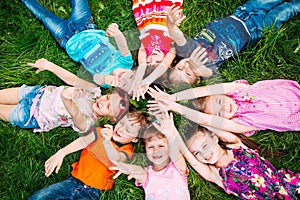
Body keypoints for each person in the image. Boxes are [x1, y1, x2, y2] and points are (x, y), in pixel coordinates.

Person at [165, 0, 300, 84]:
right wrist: (198, 69)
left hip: (242, 13)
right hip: (257, 29)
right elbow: (207, 73)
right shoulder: (208, 67)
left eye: (180, 68)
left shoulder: (188, 50)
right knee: (288, 10)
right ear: (198, 79)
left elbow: (179, 38)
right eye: (188, 74)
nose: (187, 67)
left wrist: (170, 25)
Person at [28, 111, 152, 200]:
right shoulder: (100, 132)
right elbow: (83, 141)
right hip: (72, 182)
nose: (121, 129)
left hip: (92, 193)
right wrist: (61, 153)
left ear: (135, 139)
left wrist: (106, 142)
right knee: (38, 197)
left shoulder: (127, 150)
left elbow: (115, 160)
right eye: (122, 124)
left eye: (128, 130)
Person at [22, 0, 134, 88]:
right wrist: (117, 33)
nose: (125, 78)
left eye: (125, 84)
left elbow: (96, 78)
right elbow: (123, 46)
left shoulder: (106, 82)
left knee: (43, 16)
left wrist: (105, 79)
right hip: (86, 26)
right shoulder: (126, 63)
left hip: (66, 38)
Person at [0, 58, 130, 133]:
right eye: (107, 98)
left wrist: (66, 98)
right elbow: (72, 80)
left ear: (111, 119)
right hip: (36, 93)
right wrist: (49, 66)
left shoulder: (89, 122)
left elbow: (75, 114)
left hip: (32, 114)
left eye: (108, 107)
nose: (103, 102)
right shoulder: (93, 91)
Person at [180, 126, 300, 199]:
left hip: (286, 183)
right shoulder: (215, 173)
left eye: (205, 145)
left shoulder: (236, 146)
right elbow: (187, 155)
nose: (204, 154)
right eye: (197, 153)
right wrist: (171, 133)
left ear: (214, 137)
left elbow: (210, 123)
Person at [147, 79, 300, 135]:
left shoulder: (239, 90)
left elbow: (206, 91)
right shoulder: (244, 122)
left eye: (220, 102)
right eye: (220, 114)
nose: (225, 108)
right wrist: (173, 106)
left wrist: (173, 97)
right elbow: (205, 120)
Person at [110, 111, 190, 200]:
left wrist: (169, 134)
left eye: (161, 146)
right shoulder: (147, 173)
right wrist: (129, 168)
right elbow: (139, 173)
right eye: (151, 147)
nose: (156, 150)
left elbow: (176, 154)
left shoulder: (178, 169)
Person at [129, 0, 183, 99]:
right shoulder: (170, 49)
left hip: (146, 13)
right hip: (164, 14)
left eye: (149, 61)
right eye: (157, 61)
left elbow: (142, 64)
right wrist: (148, 81)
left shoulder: (145, 50)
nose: (153, 57)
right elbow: (164, 65)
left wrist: (139, 78)